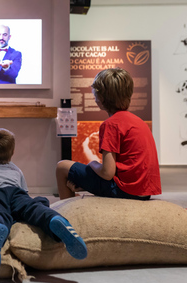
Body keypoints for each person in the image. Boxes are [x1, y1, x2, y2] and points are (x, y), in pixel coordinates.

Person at [0, 128, 87, 276]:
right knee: (33, 207)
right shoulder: (17, 171)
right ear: (13, 151)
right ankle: (53, 218)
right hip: (17, 193)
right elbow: (24, 195)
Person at [56, 68, 161, 201]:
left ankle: (65, 216)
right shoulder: (139, 122)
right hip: (144, 191)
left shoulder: (111, 124)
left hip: (125, 191)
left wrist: (92, 164)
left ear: (102, 97)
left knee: (62, 167)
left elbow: (107, 173)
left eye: (95, 93)